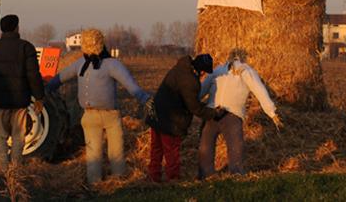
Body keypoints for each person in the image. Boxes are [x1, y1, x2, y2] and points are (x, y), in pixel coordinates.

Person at [46, 29, 150, 185]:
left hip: (89, 115)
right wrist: (147, 100)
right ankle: (118, 181)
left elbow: (59, 78)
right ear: (102, 43)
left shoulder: (80, 64)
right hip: (110, 115)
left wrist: (44, 89)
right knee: (116, 151)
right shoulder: (112, 64)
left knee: (93, 153)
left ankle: (94, 183)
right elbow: (132, 86)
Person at [197, 48, 281, 178]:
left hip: (221, 113)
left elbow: (201, 90)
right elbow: (260, 91)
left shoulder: (242, 71)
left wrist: (271, 111)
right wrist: (272, 112)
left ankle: (212, 174)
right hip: (222, 113)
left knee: (209, 144)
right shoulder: (230, 71)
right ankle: (229, 174)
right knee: (231, 144)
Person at [0, 14, 45, 171]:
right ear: (17, 27)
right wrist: (39, 97)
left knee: (0, 136)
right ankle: (15, 169)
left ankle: (2, 168)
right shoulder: (26, 47)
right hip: (19, 102)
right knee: (18, 136)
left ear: (1, 29)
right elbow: (33, 75)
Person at [146, 53, 224, 182]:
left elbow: (187, 100)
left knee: (156, 150)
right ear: (200, 70)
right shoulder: (191, 81)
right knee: (171, 152)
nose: (204, 76)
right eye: (204, 72)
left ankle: (153, 177)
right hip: (171, 122)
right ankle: (173, 179)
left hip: (156, 116)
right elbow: (195, 108)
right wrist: (214, 113)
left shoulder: (179, 68)